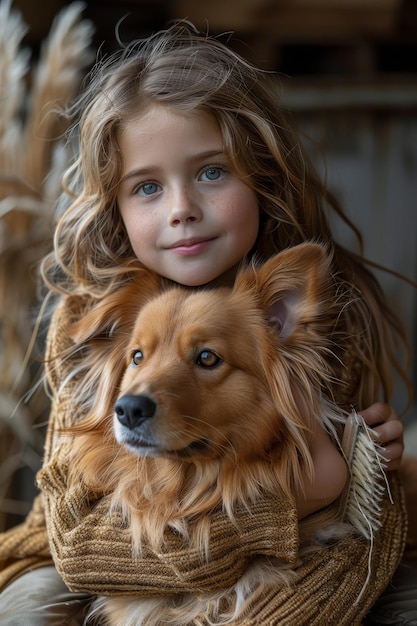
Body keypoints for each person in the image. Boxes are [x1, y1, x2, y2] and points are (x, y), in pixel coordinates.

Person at [0, 19, 415, 626]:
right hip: (88, 556)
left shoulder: (305, 317)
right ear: (114, 207)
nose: (182, 210)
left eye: (211, 172)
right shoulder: (95, 317)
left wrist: (365, 474)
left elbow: (366, 542)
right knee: (28, 611)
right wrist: (291, 503)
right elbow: (80, 553)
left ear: (263, 175)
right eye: (146, 187)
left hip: (299, 569)